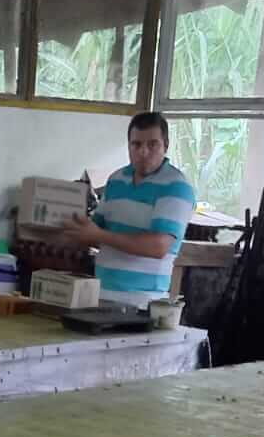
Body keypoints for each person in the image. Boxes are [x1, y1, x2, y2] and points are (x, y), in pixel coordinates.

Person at [58, 111, 198, 310]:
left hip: (142, 301)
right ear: (129, 146)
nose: (143, 152)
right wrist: (66, 228)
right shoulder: (117, 180)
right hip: (99, 293)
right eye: (136, 144)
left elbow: (158, 246)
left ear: (166, 146)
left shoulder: (176, 187)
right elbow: (95, 232)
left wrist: (99, 235)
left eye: (152, 144)